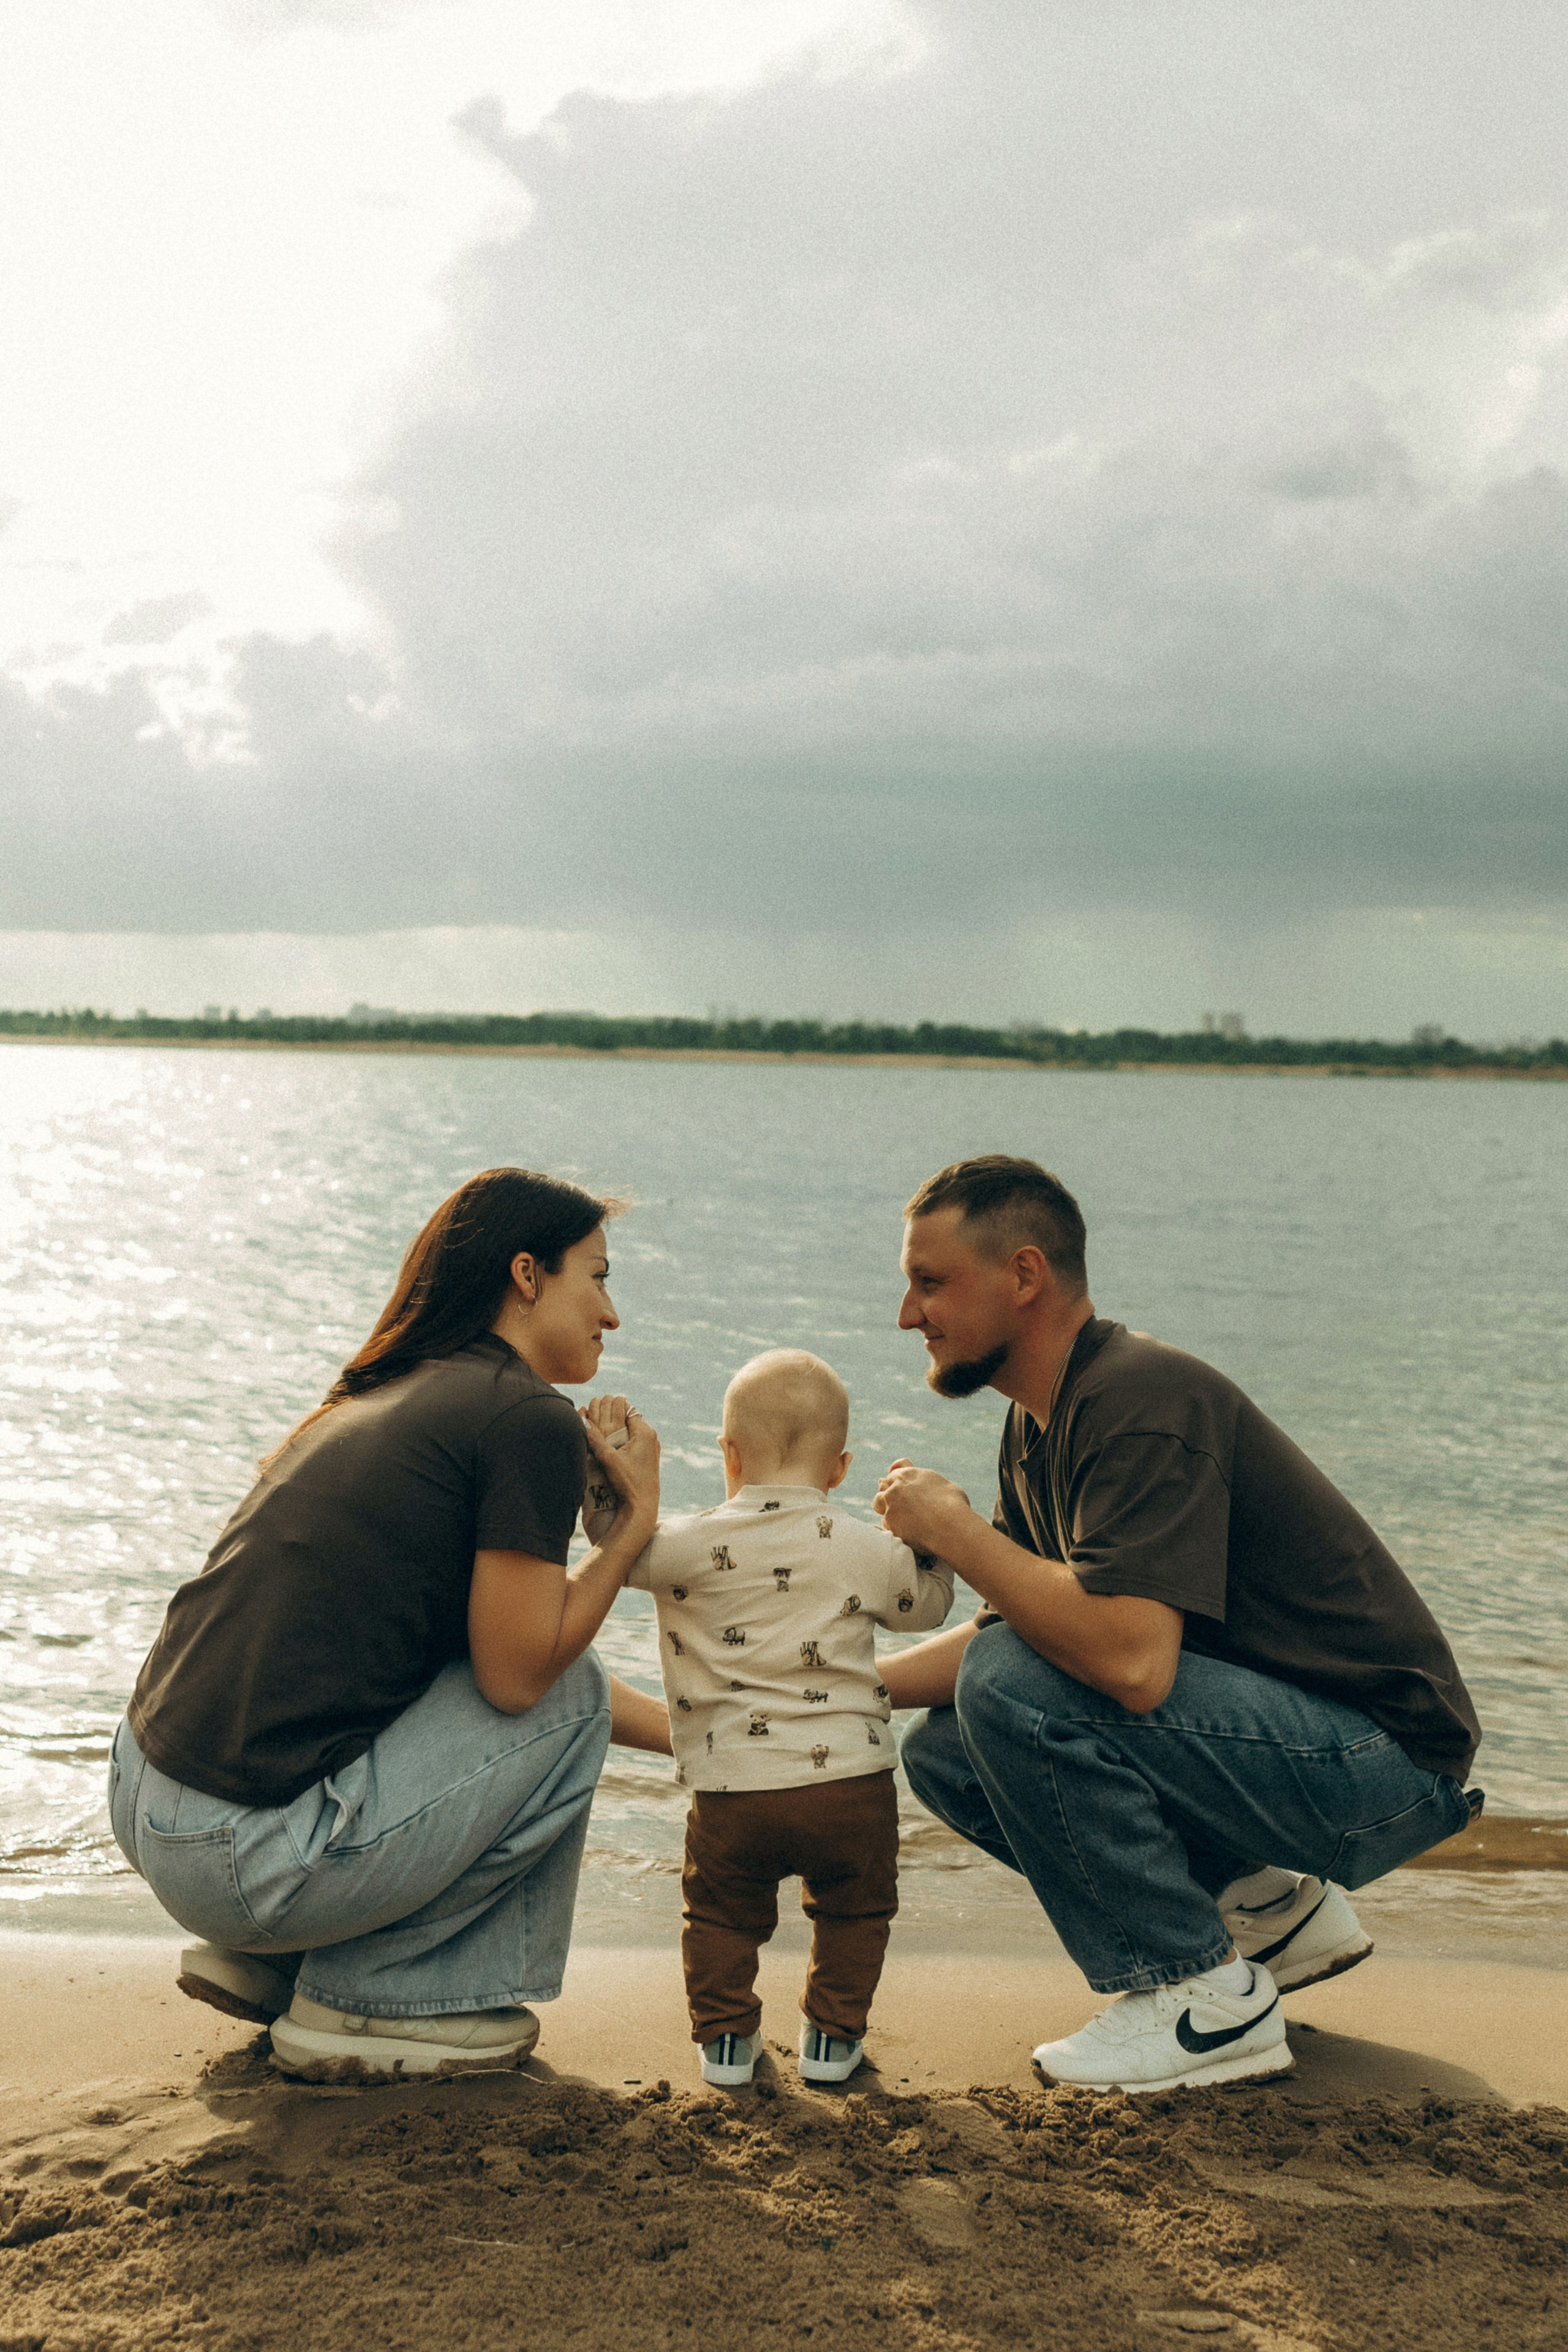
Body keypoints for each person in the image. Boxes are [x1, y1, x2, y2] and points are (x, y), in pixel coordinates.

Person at [875, 1155, 1482, 2095]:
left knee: (1001, 1686)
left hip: (1384, 1766)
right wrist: (846, 1688)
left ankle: (1200, 2000)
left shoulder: (1138, 1397)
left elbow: (1130, 1664)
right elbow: (1027, 1629)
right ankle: (1264, 1910)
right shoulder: (1042, 1422)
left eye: (930, 1282)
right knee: (946, 1749)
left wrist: (956, 1533)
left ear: (1025, 1275)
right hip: (1296, 1752)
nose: (909, 1316)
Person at [109, 1166, 671, 2082]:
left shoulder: (396, 1392)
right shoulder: (524, 1416)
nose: (614, 1314)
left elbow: (491, 1687)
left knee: (552, 1686)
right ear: (527, 1275)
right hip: (246, 1859)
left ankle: (278, 1962)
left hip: (150, 1803)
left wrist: (704, 1735)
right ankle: (369, 1993)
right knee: (560, 1685)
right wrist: (631, 1533)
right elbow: (528, 1687)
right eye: (599, 1277)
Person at [584, 1351, 952, 2089]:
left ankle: (725, 2041)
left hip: (732, 1790)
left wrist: (606, 1471)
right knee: (856, 1912)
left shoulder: (683, 1547)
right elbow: (928, 1608)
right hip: (850, 1787)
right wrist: (933, 1539)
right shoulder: (864, 1549)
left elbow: (614, 1548)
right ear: (842, 1468)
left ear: (727, 1453)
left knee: (721, 1918)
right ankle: (832, 2039)